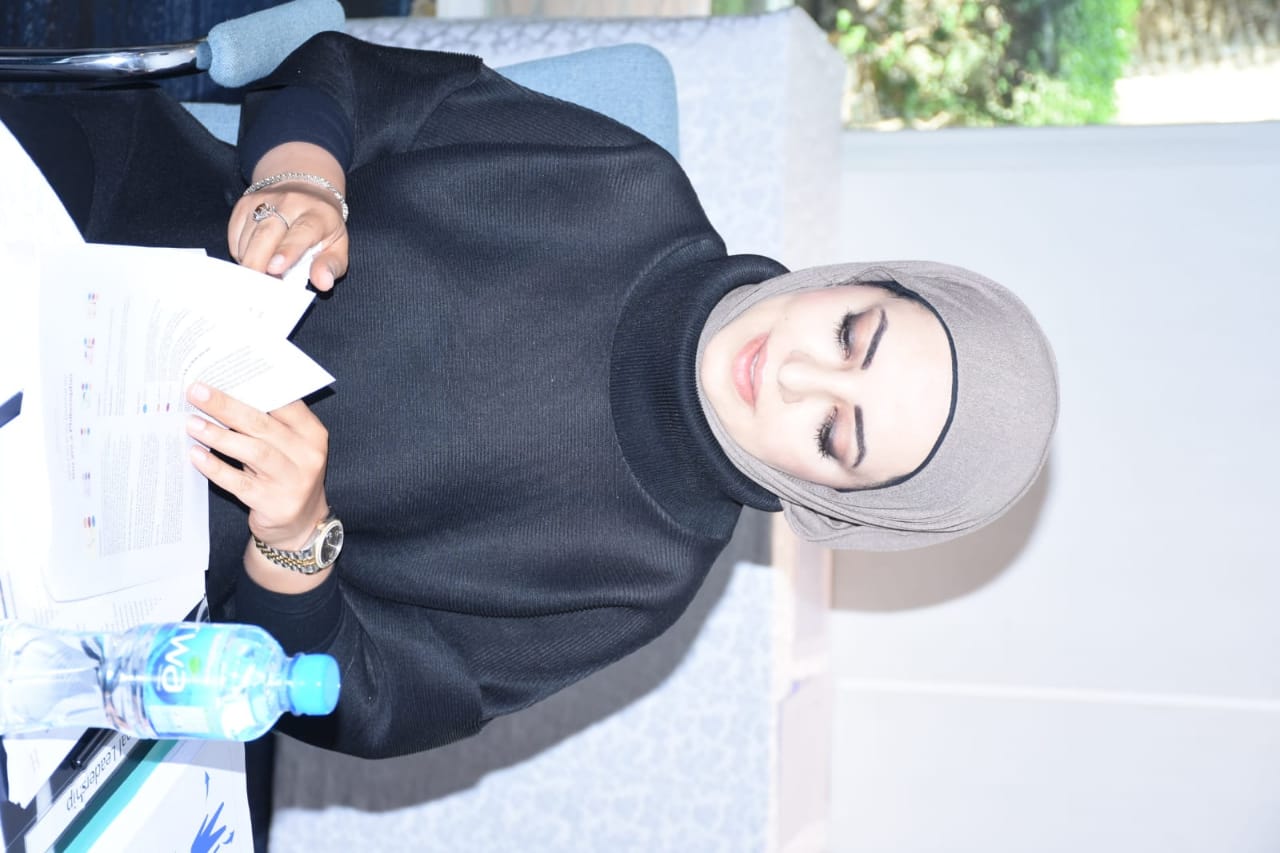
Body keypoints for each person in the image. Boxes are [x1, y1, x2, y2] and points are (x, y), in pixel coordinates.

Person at [1, 32, 1058, 760]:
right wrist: (305, 178)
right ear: (850, 281)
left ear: (829, 501)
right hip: (91, 226)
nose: (792, 371)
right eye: (850, 335)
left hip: (96, 532)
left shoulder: (639, 577)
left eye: (832, 431)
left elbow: (360, 700)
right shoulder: (624, 182)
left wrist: (296, 538)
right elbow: (350, 77)